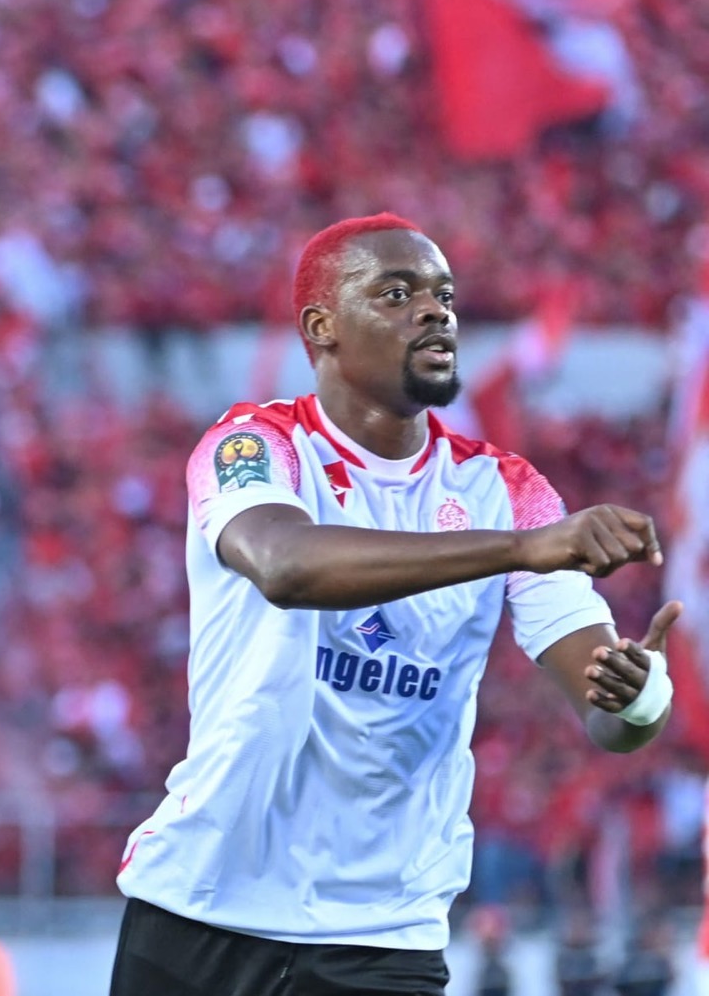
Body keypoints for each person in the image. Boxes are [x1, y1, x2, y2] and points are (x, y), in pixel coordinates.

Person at [110, 213, 678, 996]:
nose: (435, 310)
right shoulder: (254, 445)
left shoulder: (504, 489)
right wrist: (518, 548)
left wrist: (639, 695)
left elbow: (610, 720)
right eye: (397, 293)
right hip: (200, 905)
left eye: (444, 294)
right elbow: (285, 564)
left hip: (384, 936)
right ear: (322, 326)